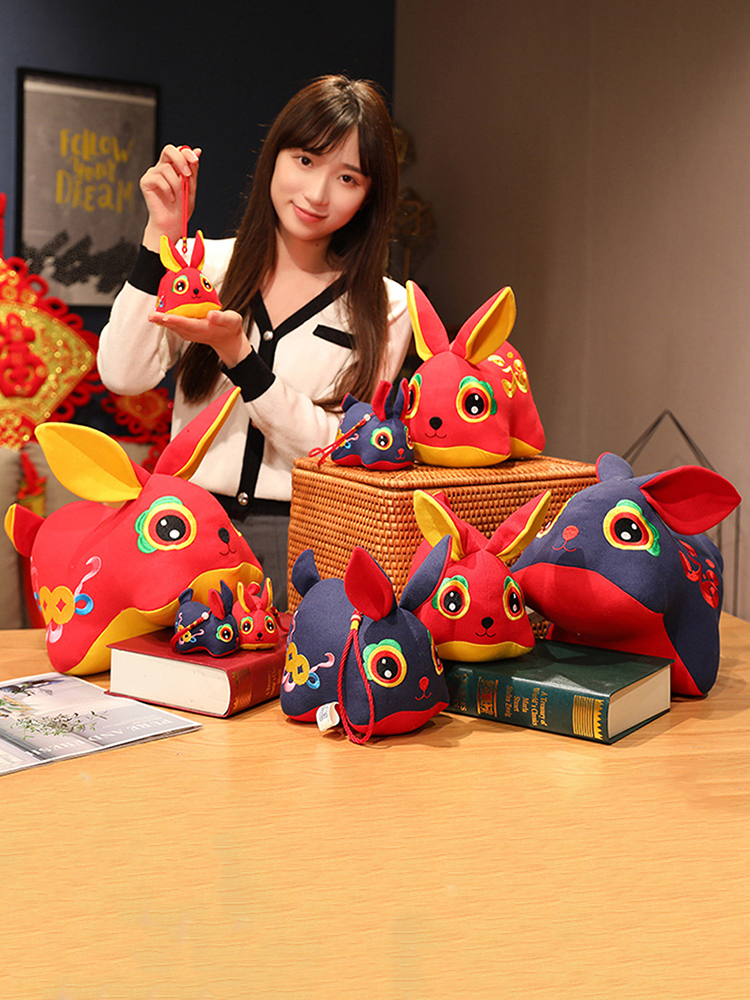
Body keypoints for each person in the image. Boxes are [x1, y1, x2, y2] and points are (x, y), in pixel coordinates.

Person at [97, 75, 413, 611]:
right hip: (189, 527)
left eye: (347, 177)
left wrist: (240, 359)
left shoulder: (386, 306)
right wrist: (161, 237)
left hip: (304, 541)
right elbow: (123, 374)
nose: (316, 194)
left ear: (369, 196)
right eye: (305, 160)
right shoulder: (207, 266)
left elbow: (341, 450)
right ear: (274, 158)